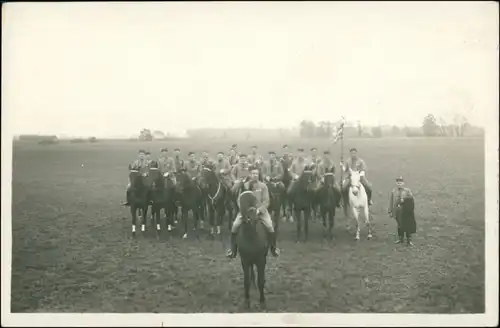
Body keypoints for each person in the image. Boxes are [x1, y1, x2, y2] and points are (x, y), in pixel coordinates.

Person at [227, 166, 279, 258]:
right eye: (253, 173)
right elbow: (239, 199)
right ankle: (232, 249)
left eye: (257, 174)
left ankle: (273, 248)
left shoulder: (263, 186)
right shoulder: (244, 185)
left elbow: (266, 201)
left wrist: (259, 210)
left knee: (270, 226)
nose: (255, 175)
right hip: (246, 212)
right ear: (250, 174)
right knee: (235, 225)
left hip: (260, 211)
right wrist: (244, 210)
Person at [388, 176, 416, 245]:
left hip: (405, 211)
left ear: (403, 183)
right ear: (396, 183)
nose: (399, 184)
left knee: (407, 225)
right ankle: (401, 239)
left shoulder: (407, 191)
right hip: (397, 211)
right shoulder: (393, 191)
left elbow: (411, 198)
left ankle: (409, 240)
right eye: (398, 183)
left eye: (400, 183)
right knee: (399, 225)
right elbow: (391, 201)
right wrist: (390, 211)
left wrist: (404, 199)